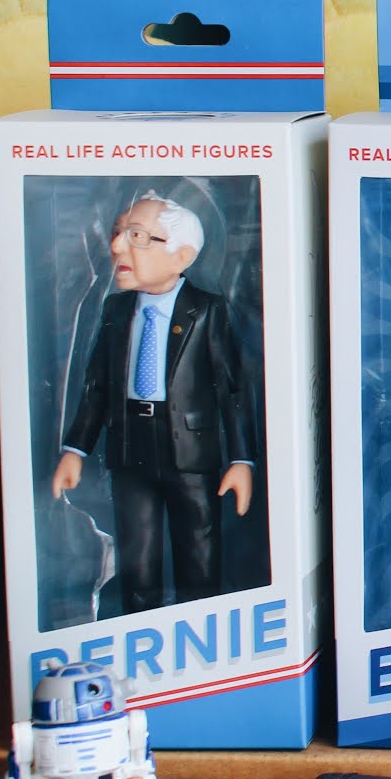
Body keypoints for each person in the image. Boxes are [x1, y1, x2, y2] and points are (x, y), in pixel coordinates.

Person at [53, 192, 254, 614]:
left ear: (182, 256)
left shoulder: (207, 311)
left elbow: (233, 389)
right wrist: (75, 450)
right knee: (137, 558)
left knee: (198, 554)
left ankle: (203, 623)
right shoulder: (115, 310)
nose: (116, 246)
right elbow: (97, 387)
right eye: (118, 233)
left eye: (138, 236)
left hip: (190, 452)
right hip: (131, 447)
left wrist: (241, 460)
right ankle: (139, 626)